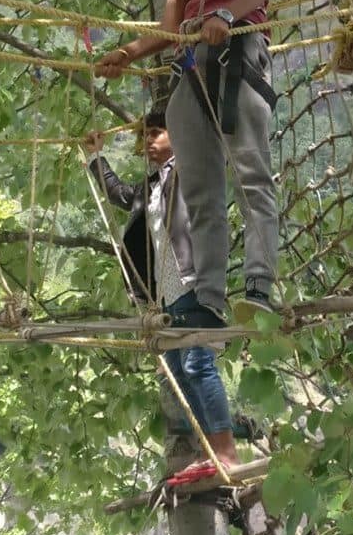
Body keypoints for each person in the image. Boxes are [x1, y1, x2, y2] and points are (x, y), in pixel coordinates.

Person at [95, 0, 279, 324]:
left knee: (251, 176)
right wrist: (128, 53)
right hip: (192, 64)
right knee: (199, 192)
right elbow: (169, 30)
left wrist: (226, 15)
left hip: (239, 49)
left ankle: (259, 287)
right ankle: (209, 299)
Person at [83, 110, 239, 471]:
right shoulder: (150, 187)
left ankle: (227, 452)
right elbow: (120, 194)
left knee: (198, 365)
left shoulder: (189, 171)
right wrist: (95, 157)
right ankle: (209, 452)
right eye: (146, 135)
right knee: (179, 373)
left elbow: (211, 148)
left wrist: (192, 122)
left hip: (194, 280)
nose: (149, 141)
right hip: (167, 293)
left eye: (157, 132)